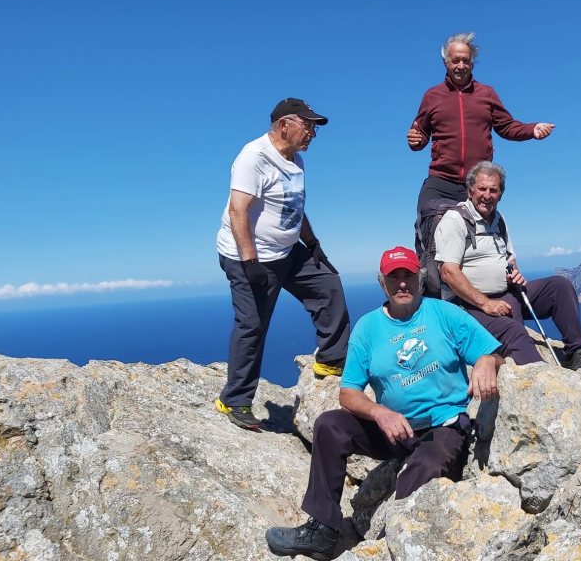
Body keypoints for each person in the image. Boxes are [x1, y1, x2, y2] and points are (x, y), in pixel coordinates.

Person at [265, 246, 503, 559]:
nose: (402, 283)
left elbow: (494, 350)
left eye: (408, 275)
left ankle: (398, 548)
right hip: (396, 430)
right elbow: (348, 391)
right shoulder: (367, 328)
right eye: (394, 277)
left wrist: (487, 361)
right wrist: (379, 412)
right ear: (382, 283)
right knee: (329, 426)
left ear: (419, 279)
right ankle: (322, 530)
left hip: (443, 426)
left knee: (420, 473)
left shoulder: (443, 314)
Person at [214, 98, 350, 431]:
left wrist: (313, 243)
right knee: (253, 325)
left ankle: (331, 360)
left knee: (328, 284)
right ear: (284, 124)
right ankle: (235, 400)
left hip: (287, 251)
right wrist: (250, 262)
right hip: (251, 255)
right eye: (309, 126)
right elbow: (237, 211)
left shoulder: (296, 160)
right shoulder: (254, 157)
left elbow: (294, 207)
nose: (312, 134)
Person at [408, 32, 555, 295]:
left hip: (475, 185)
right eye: (455, 60)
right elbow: (419, 134)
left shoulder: (486, 94)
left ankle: (481, 299)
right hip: (440, 181)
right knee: (432, 243)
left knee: (481, 242)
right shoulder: (432, 96)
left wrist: (532, 130)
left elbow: (507, 127)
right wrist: (415, 140)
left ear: (472, 63)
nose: (460, 66)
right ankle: (434, 304)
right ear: (446, 62)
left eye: (465, 60)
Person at [434, 161, 581, 370]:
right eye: (482, 189)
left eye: (494, 190)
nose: (487, 195)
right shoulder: (455, 220)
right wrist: (486, 304)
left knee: (560, 287)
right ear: (470, 190)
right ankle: (540, 382)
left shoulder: (499, 220)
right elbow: (448, 272)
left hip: (506, 292)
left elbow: (509, 259)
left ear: (501, 194)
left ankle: (574, 353)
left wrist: (514, 274)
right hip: (468, 304)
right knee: (515, 332)